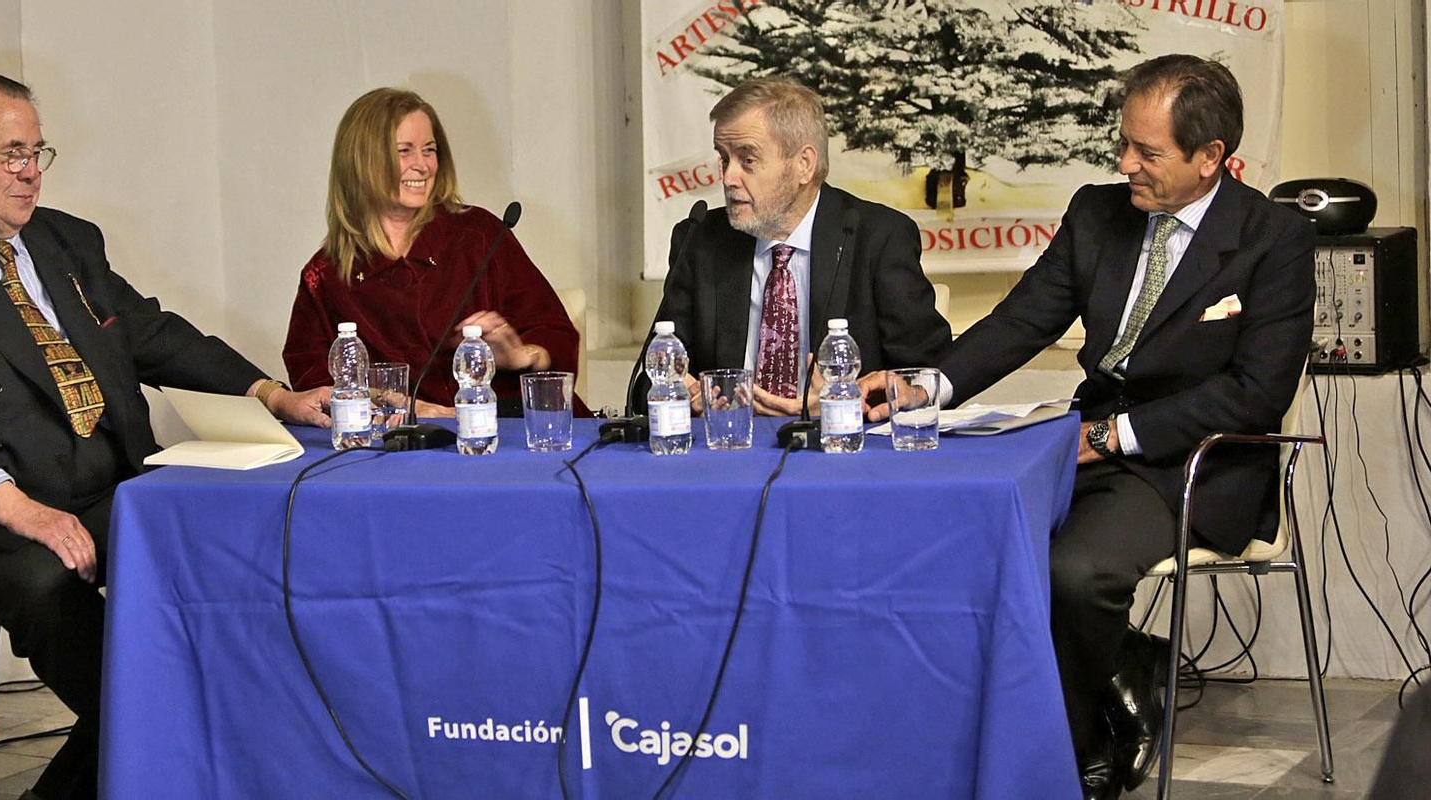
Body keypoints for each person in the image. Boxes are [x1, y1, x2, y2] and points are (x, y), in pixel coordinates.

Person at [0, 73, 331, 800]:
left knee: (208, 543)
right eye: (11, 154)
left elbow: (150, 333)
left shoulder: (65, 240)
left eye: (38, 152)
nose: (30, 172)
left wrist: (271, 393)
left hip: (88, 483)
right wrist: (23, 511)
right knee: (52, 582)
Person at [926, 55, 1315, 799]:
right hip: (1084, 445)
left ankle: (1065, 755)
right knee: (966, 537)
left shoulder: (1273, 239)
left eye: (1148, 152)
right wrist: (926, 384)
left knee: (1074, 573)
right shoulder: (1096, 211)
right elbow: (1022, 321)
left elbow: (1255, 395)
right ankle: (1119, 664)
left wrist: (1112, 437)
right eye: (1123, 143)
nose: (1124, 163)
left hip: (1192, 460)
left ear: (1211, 159)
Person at [642, 76, 950, 416]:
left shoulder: (877, 238)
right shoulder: (699, 240)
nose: (728, 178)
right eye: (723, 158)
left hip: (842, 450)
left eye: (748, 160)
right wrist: (678, 391)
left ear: (804, 164)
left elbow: (926, 376)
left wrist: (844, 404)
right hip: (729, 447)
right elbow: (650, 372)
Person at [283, 88, 587, 416]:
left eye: (429, 150)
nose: (423, 166)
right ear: (362, 161)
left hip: (509, 429)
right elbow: (313, 385)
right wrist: (402, 406)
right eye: (404, 151)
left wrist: (524, 356)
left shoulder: (478, 234)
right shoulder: (326, 273)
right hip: (401, 448)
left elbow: (556, 334)